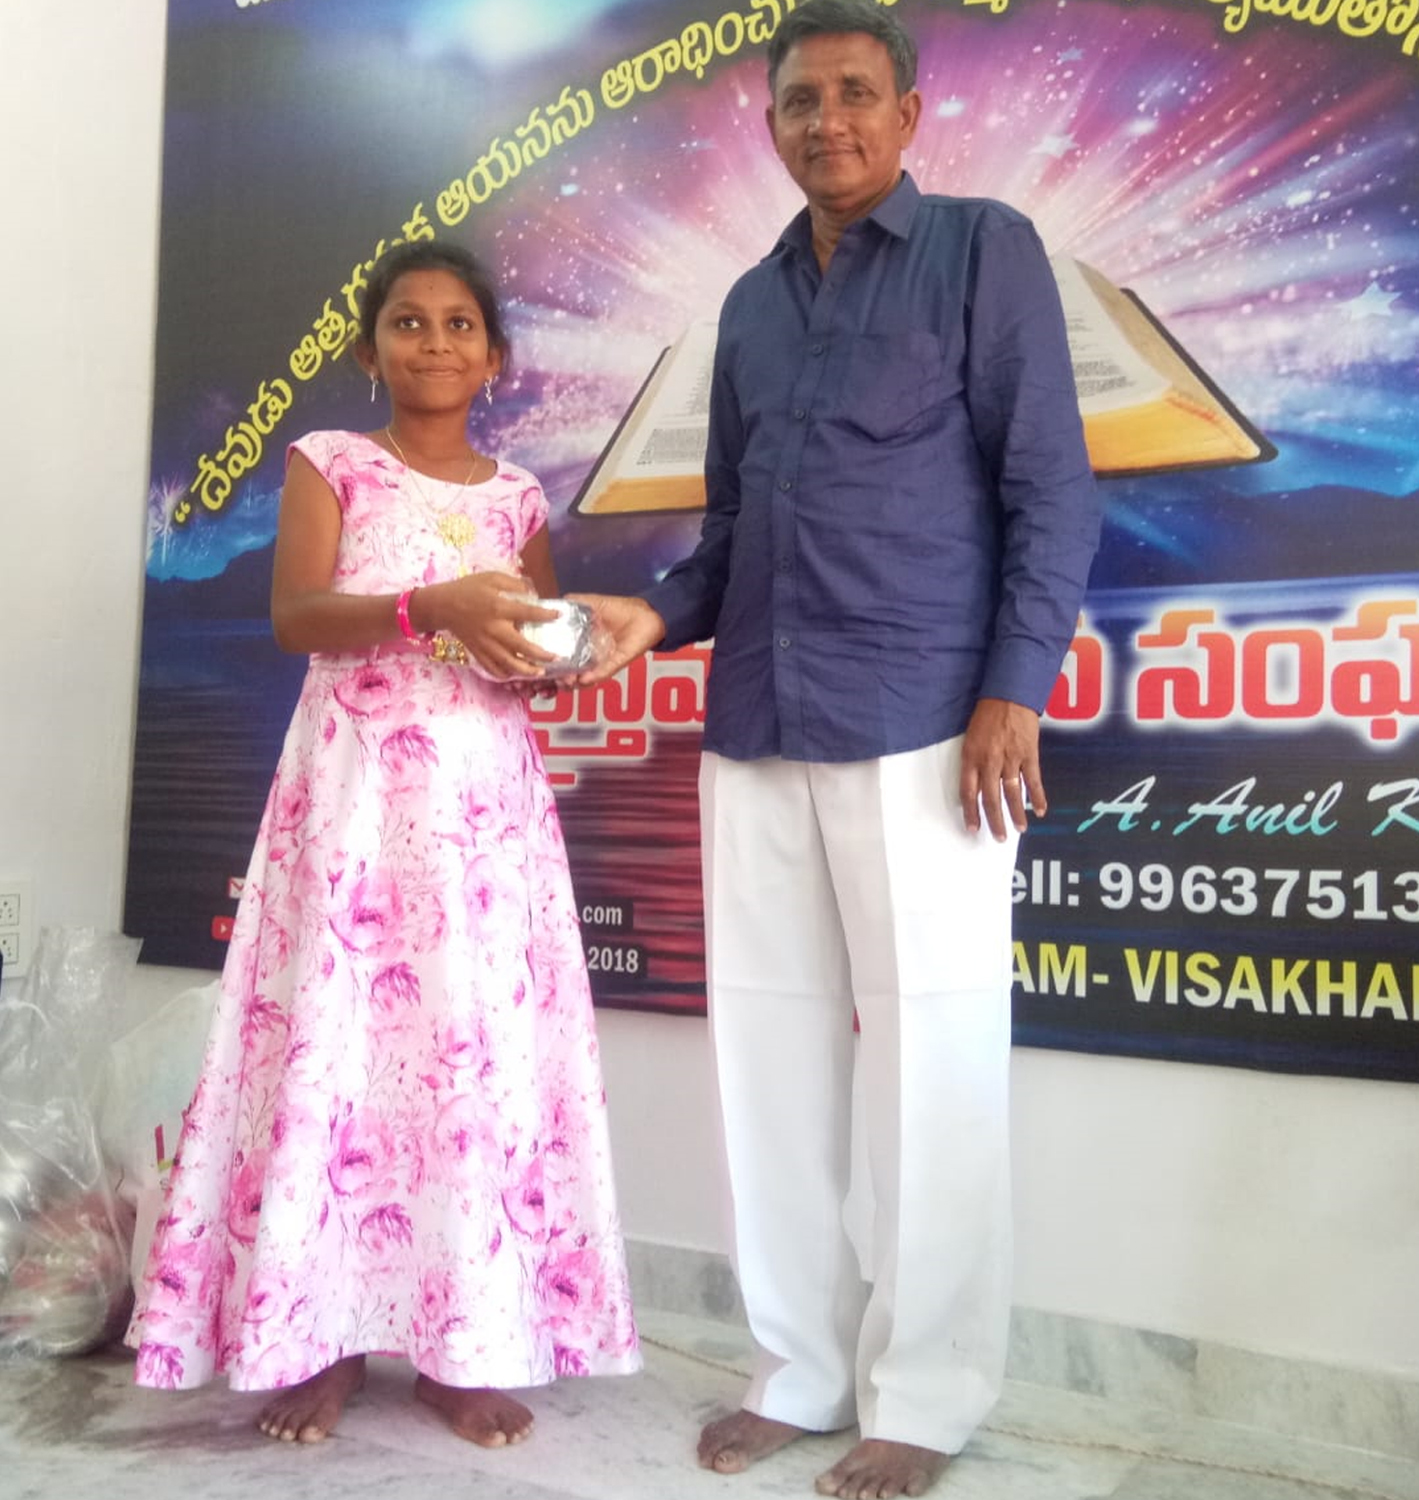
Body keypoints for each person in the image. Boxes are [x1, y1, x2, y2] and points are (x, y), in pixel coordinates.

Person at [576, 2, 1102, 1495]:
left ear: (909, 113)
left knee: (933, 1063)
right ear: (773, 125)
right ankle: (800, 1368)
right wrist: (651, 617)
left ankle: (925, 1396)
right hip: (755, 722)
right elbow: (731, 532)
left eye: (856, 94)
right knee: (770, 1062)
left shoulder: (983, 250)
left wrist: (1014, 688)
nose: (829, 122)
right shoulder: (749, 307)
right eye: (802, 101)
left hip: (926, 722)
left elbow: (1052, 489)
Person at [128, 239, 640, 1447]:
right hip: (355, 805)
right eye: (409, 322)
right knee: (342, 1053)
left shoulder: (518, 500)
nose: (435, 343)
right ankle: (326, 1342)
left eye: (461, 324)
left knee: (467, 1068)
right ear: (370, 348)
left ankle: (458, 1351)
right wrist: (429, 607)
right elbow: (297, 616)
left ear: (495, 357)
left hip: (484, 821)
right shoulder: (333, 462)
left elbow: (530, 648)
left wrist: (554, 657)